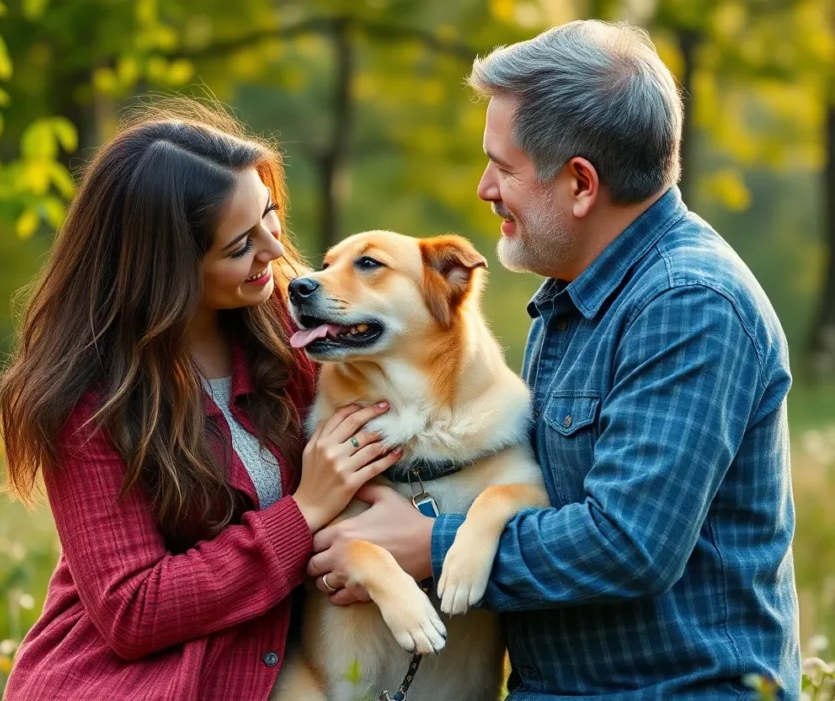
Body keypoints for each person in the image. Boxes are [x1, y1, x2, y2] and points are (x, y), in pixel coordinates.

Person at [308, 20, 800, 699]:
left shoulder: (688, 303)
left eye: (502, 166)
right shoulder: (575, 297)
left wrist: (429, 543)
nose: (484, 187)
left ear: (580, 184)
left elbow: (630, 542)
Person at [0, 99, 403, 700]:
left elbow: (407, 435)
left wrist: (414, 529)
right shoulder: (87, 400)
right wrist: (303, 512)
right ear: (167, 270)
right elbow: (132, 609)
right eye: (240, 244)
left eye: (270, 215)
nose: (273, 250)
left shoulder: (296, 339)